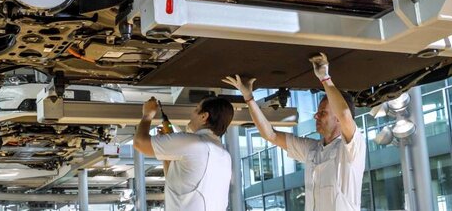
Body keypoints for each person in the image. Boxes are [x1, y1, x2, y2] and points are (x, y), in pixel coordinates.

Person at [223, 53, 366, 211]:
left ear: (338, 119)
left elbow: (345, 114)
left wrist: (325, 77)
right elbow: (270, 135)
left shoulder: (352, 149)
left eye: (323, 113)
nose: (316, 116)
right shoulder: (313, 150)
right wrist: (249, 97)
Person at [133, 95, 234, 211]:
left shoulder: (193, 142)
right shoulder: (224, 156)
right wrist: (167, 151)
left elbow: (140, 143)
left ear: (204, 116)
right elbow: (176, 180)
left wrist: (147, 114)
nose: (192, 114)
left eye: (196, 109)